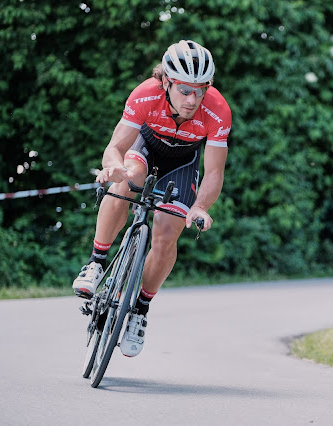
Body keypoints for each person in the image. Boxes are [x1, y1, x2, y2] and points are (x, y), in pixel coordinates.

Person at [73, 40, 232, 357]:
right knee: (126, 180)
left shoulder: (218, 109)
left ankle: (140, 311)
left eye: (200, 90)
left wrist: (200, 206)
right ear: (167, 82)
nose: (192, 99)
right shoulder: (146, 93)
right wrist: (113, 168)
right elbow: (115, 148)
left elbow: (214, 171)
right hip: (145, 149)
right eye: (185, 89)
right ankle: (96, 262)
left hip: (184, 163)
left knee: (167, 229)